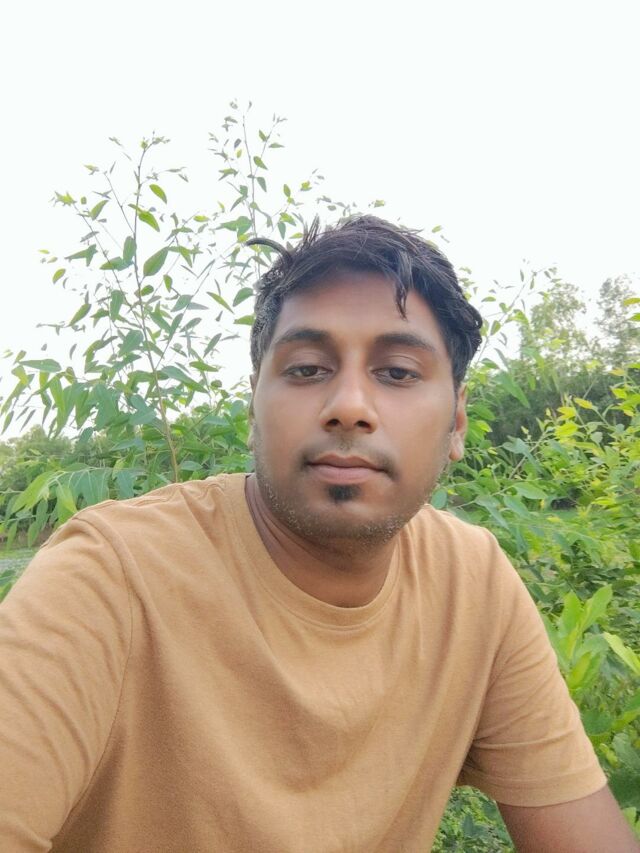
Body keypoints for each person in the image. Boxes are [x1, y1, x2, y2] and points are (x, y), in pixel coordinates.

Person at [0, 216, 637, 852]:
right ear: (254, 406)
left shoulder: (473, 584)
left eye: (398, 372)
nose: (349, 406)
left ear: (457, 423)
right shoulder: (109, 579)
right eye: (306, 369)